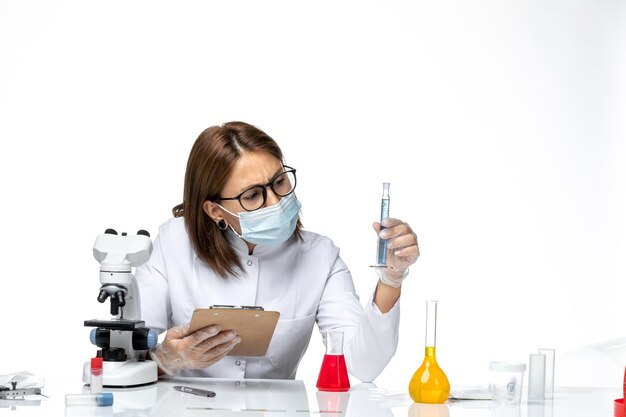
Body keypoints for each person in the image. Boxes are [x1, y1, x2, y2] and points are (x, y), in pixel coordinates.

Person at [136, 121, 419, 381]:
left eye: (280, 182)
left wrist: (391, 278)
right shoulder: (173, 243)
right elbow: (126, 357)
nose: (276, 202)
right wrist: (170, 358)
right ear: (214, 210)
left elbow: (363, 365)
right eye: (252, 196)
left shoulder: (320, 257)